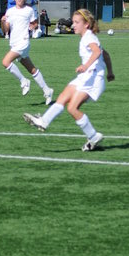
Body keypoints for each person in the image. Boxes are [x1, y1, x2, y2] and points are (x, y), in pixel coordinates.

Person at [23, 8, 114, 151]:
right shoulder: (87, 37)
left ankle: (93, 135)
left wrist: (86, 66)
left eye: (77, 22)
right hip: (87, 75)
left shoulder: (89, 37)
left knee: (72, 108)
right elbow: (105, 54)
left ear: (86, 24)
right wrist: (110, 72)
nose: (73, 25)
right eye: (73, 22)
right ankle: (44, 121)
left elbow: (97, 52)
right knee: (63, 97)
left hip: (93, 78)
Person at [1, 0, 53, 103]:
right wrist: (3, 21)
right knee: (32, 69)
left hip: (23, 42)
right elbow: (6, 29)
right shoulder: (10, 11)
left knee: (5, 62)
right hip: (14, 42)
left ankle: (24, 81)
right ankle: (47, 90)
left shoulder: (29, 10)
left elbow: (34, 23)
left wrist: (32, 27)